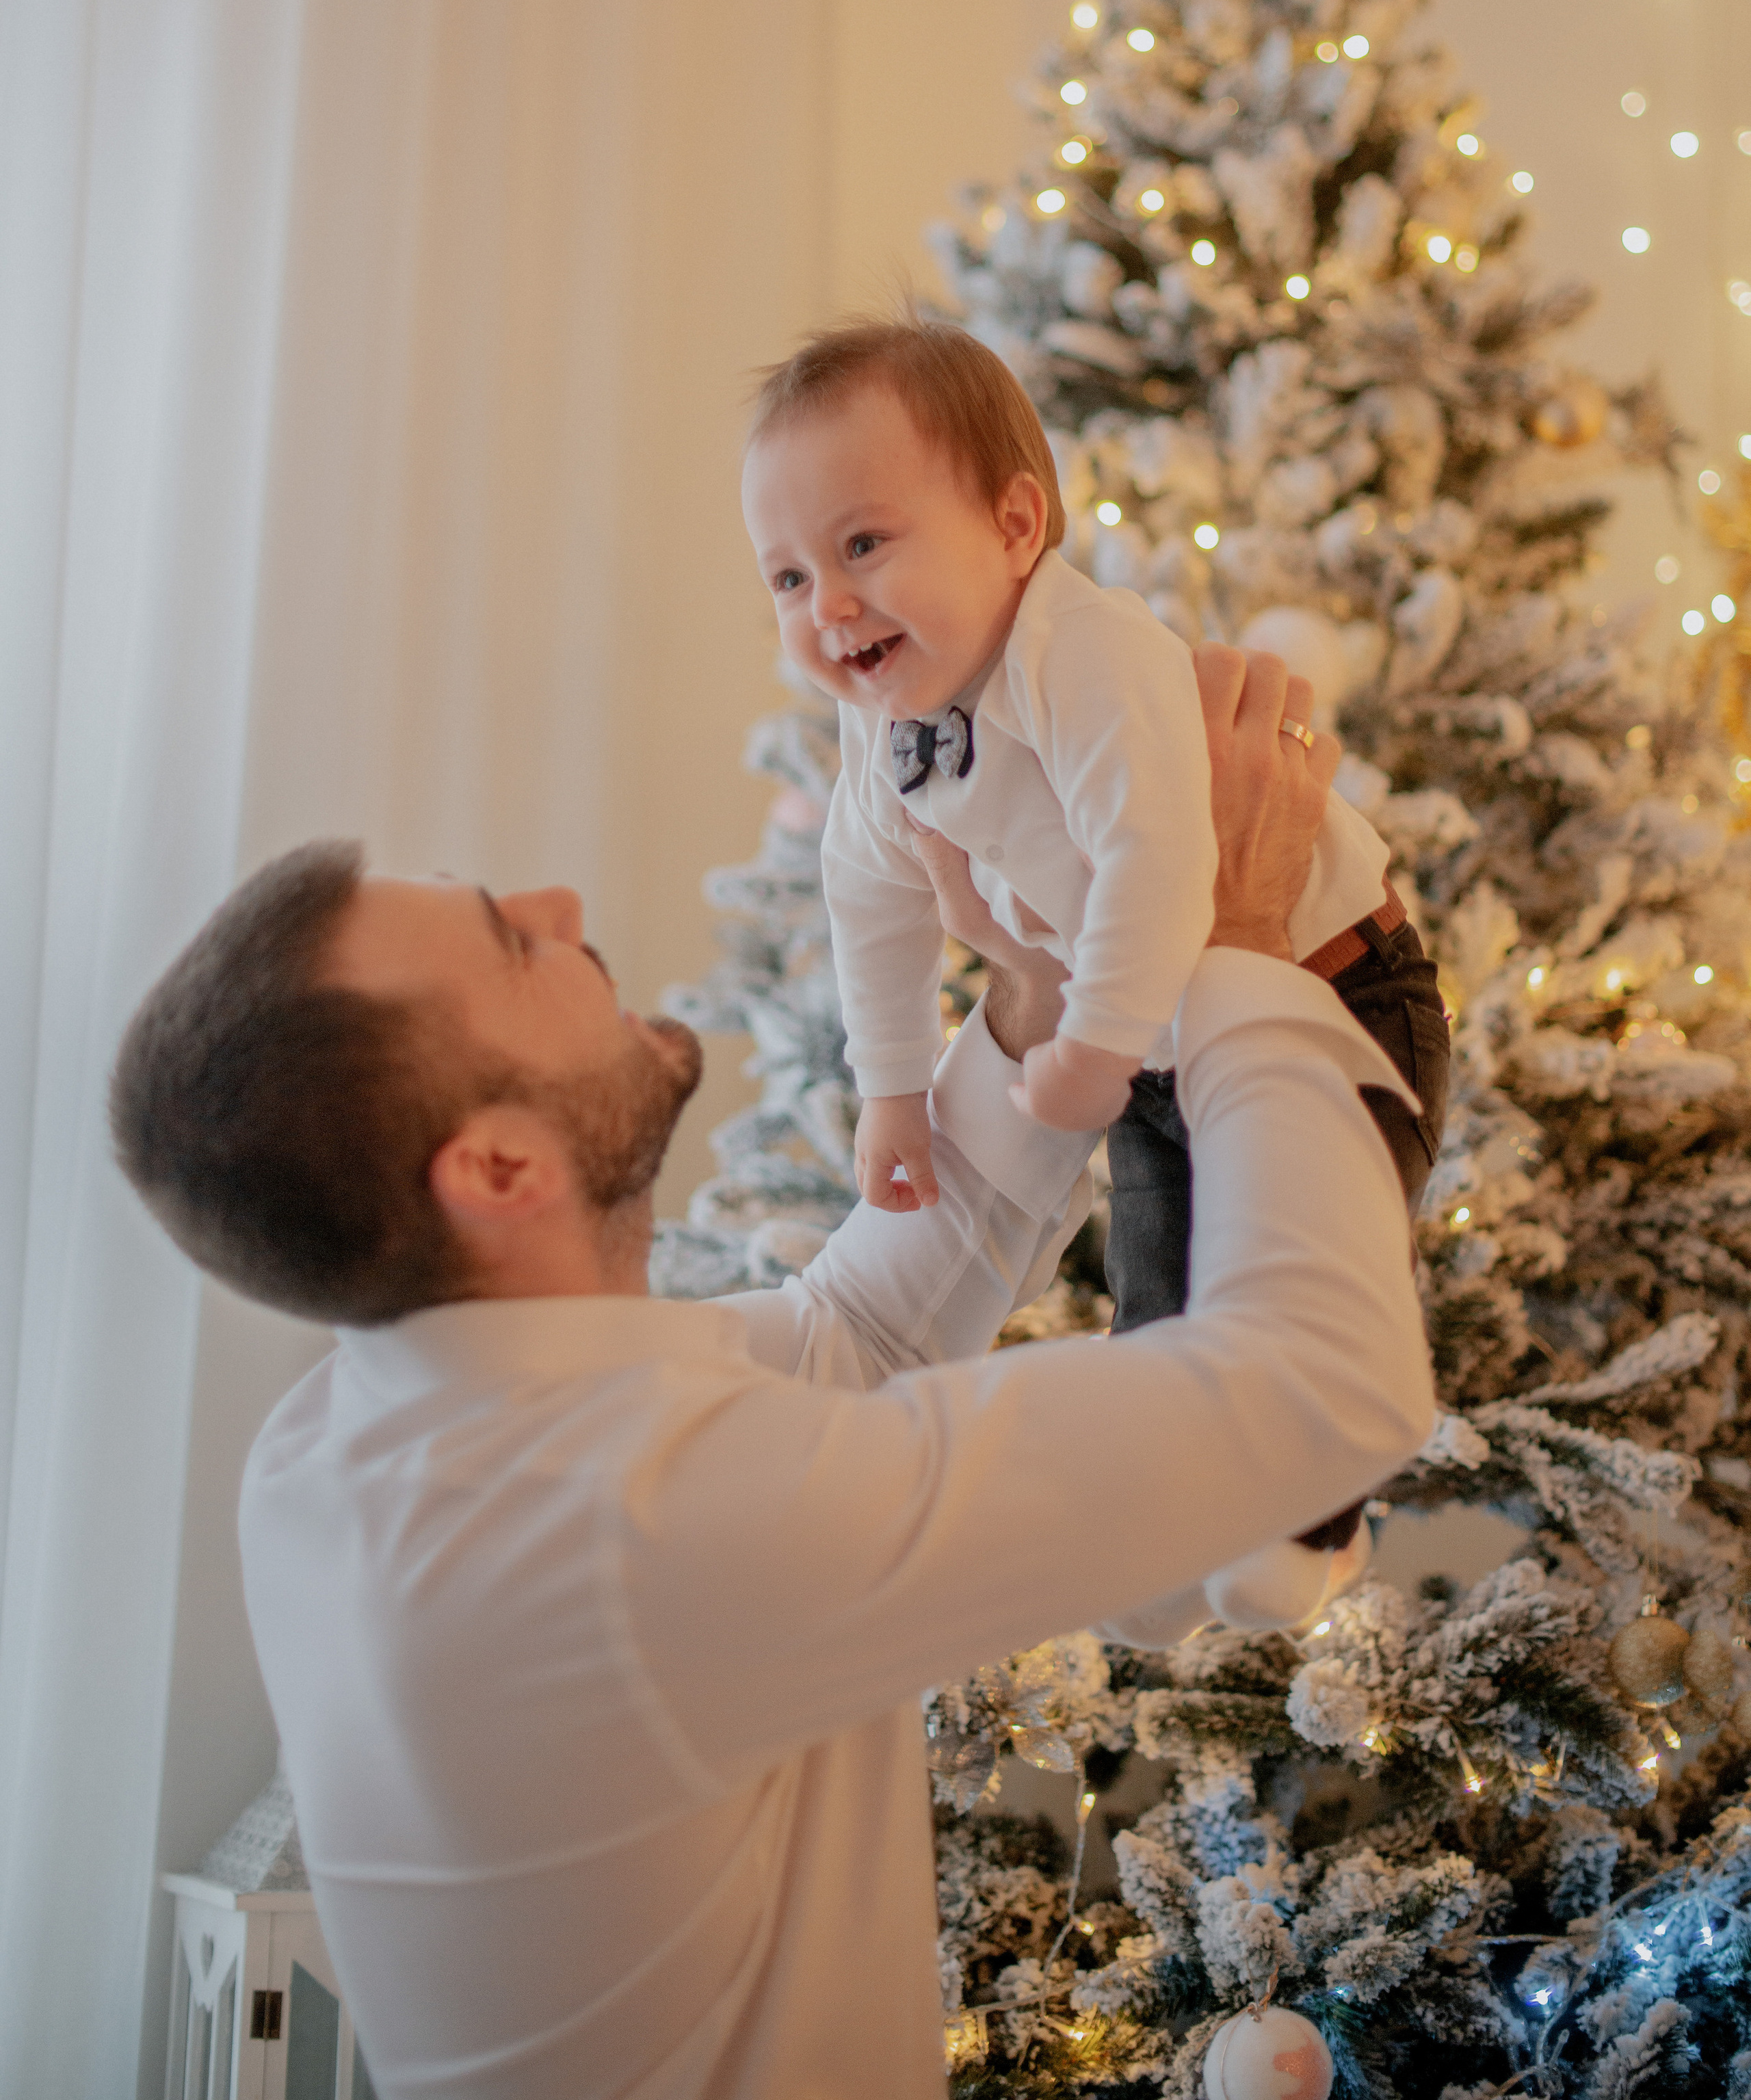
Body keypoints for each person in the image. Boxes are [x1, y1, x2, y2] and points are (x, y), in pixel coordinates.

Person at [109, 649, 1434, 2100]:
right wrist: (1239, 943)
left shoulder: (369, 1432)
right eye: (507, 941)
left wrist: (1039, 992)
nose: (557, 905)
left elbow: (846, 1345)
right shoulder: (614, 1532)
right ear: (494, 1165)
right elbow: (1321, 1380)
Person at [741, 317, 1449, 1616]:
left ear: (1017, 528)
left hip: (1332, 994)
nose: (826, 606)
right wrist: (894, 1091)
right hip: (1151, 1042)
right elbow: (874, 904)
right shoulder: (883, 727)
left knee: (1291, 1261)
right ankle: (1195, 1533)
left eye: (861, 545)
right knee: (1158, 1312)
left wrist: (1096, 1044)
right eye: (785, 577)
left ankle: (1313, 1524)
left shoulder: (1087, 655)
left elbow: (1165, 859)